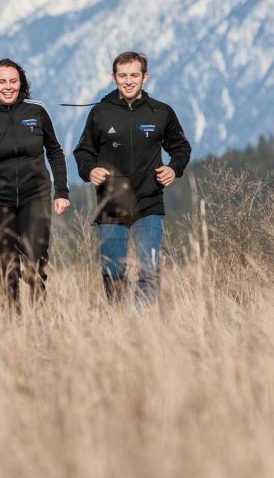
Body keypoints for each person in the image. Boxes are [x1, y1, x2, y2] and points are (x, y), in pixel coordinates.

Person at [73, 51, 191, 304]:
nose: (128, 81)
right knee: (113, 272)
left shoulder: (160, 112)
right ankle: (118, 323)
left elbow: (181, 148)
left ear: (144, 77)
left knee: (149, 269)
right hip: (111, 204)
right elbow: (83, 151)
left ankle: (143, 322)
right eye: (123, 75)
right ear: (113, 77)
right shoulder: (100, 113)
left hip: (149, 202)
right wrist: (89, 170)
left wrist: (174, 169)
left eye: (134, 75)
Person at [0, 59, 70, 308]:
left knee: (36, 262)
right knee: (6, 265)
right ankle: (13, 323)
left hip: (36, 196)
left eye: (13, 81)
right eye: (2, 82)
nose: (8, 87)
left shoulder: (36, 111)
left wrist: (61, 192)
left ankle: (39, 319)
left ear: (21, 83)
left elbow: (55, 152)